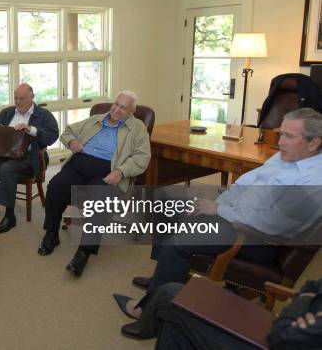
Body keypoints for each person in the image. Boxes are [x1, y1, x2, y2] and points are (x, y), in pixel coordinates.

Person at [117, 108, 322, 318]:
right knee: (164, 204)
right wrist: (218, 204)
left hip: (255, 238)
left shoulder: (312, 183)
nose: (280, 142)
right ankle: (162, 278)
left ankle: (151, 311)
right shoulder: (285, 157)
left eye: (288, 136)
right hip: (235, 215)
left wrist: (218, 210)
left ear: (313, 143)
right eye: (281, 134)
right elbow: (243, 183)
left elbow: (268, 224)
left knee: (180, 240)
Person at [38, 90, 151, 277]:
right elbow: (67, 132)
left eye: (123, 107)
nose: (116, 109)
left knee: (98, 198)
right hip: (79, 164)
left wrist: (121, 171)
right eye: (116, 104)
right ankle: (51, 233)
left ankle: (84, 251)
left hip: (108, 171)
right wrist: (72, 141)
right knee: (56, 185)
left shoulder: (138, 129)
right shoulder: (96, 119)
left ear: (133, 110)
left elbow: (142, 157)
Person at [114, 278, 322, 349]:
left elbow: (282, 335)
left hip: (265, 342)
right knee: (175, 320)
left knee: (172, 295)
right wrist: (304, 307)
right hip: (270, 326)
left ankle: (145, 318)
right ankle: (147, 316)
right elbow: (312, 284)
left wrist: (304, 301)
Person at [0, 84, 59, 234]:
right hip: (4, 155)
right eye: (16, 98)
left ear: (32, 97)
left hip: (30, 159)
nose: (18, 102)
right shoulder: (7, 112)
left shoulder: (43, 115)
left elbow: (52, 136)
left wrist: (30, 129)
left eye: (22, 98)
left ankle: (9, 215)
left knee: (7, 169)